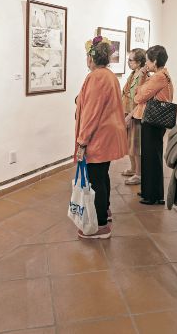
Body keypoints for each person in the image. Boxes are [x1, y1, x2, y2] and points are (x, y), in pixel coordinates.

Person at [74, 35, 127, 239]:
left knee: (96, 179)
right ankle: (105, 211)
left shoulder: (96, 77)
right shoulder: (108, 75)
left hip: (98, 136)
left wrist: (82, 141)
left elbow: (91, 112)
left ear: (91, 58)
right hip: (106, 134)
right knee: (101, 175)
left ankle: (101, 226)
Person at [133, 45, 173, 205]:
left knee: (152, 157)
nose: (146, 65)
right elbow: (142, 92)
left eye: (148, 61)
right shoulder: (162, 74)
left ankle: (154, 195)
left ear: (155, 61)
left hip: (153, 120)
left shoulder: (158, 77)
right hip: (153, 119)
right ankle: (148, 191)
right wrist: (143, 79)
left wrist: (139, 88)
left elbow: (139, 96)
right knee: (150, 156)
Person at [120, 48, 147, 185]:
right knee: (129, 142)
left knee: (136, 144)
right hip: (128, 111)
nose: (128, 62)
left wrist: (130, 115)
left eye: (131, 60)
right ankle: (132, 168)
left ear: (139, 61)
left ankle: (139, 173)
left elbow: (142, 99)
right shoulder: (133, 74)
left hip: (136, 114)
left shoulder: (143, 76)